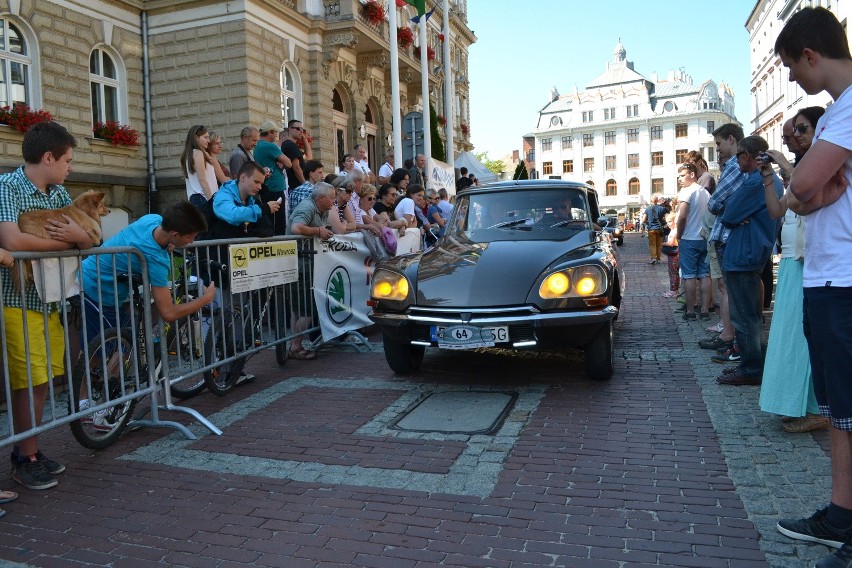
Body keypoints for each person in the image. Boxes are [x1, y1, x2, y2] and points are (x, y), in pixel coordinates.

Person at [772, 8, 852, 567]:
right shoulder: (834, 117)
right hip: (830, 276)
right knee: (841, 411)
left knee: (849, 408)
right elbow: (802, 197)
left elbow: (800, 185)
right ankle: (841, 514)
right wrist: (817, 189)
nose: (792, 80)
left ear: (811, 56)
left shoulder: (846, 113)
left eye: (792, 68)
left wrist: (812, 188)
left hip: (845, 279)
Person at [0, 121, 96, 491]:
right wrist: (72, 241)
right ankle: (24, 456)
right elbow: (14, 240)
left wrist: (79, 238)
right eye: (68, 160)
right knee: (29, 380)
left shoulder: (58, 193)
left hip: (52, 300)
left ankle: (32, 450)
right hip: (19, 302)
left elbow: (88, 236)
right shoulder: (8, 187)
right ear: (48, 157)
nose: (70, 167)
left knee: (42, 380)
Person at [716, 135, 783, 386]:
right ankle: (756, 364)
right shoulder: (770, 181)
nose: (737, 160)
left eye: (739, 155)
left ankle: (751, 367)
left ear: (747, 156)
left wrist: (735, 215)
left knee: (744, 317)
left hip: (744, 252)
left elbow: (728, 214)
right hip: (753, 251)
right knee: (751, 315)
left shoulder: (755, 182)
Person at [286, 182, 345, 359]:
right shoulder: (307, 206)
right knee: (307, 309)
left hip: (309, 263)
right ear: (321, 198)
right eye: (332, 197)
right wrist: (318, 231)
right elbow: (296, 228)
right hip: (300, 264)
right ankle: (295, 347)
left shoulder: (323, 210)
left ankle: (294, 345)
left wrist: (322, 232)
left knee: (299, 308)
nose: (334, 201)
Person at [705, 123, 747, 364]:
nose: (717, 150)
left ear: (732, 139)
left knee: (728, 289)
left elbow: (715, 203)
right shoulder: (735, 166)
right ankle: (730, 337)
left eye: (719, 144)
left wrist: (723, 206)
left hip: (727, 236)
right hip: (728, 235)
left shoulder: (734, 167)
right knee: (727, 288)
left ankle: (731, 338)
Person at [675, 163, 711, 321]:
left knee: (689, 276)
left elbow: (682, 216)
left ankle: (690, 310)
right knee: (704, 275)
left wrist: (679, 234)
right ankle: (704, 309)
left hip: (689, 238)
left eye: (682, 175)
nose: (680, 179)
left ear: (692, 174)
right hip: (704, 237)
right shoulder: (705, 192)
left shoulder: (686, 192)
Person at [252, 119, 292, 234]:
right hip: (275, 188)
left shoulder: (258, 146)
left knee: (269, 221)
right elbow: (289, 163)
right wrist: (282, 163)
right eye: (275, 132)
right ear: (269, 132)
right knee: (279, 223)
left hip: (265, 187)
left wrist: (278, 162)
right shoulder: (270, 146)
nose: (277, 135)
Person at [180, 124, 218, 207]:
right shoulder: (198, 153)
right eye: (205, 137)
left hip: (199, 199)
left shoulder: (192, 154)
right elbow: (202, 180)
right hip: (203, 198)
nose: (208, 141)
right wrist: (212, 201)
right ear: (196, 138)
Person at [281, 119, 312, 192]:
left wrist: (304, 139)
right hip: (296, 186)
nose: (301, 131)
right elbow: (296, 167)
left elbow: (309, 157)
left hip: (295, 186)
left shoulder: (293, 145)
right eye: (298, 129)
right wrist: (305, 184)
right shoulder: (290, 144)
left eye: (302, 129)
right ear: (290, 129)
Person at [643, 195, 666, 264]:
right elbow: (665, 218)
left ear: (651, 201)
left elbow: (643, 220)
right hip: (660, 229)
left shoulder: (647, 209)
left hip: (651, 229)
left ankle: (653, 258)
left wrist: (648, 222)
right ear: (657, 201)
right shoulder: (662, 209)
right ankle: (658, 257)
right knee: (659, 244)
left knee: (652, 244)